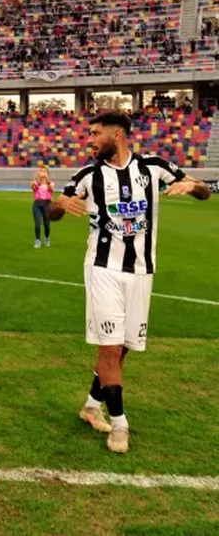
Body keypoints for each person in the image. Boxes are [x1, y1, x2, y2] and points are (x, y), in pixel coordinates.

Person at [49, 111, 210, 454]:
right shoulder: (88, 175)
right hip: (102, 268)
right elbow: (54, 210)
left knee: (122, 348)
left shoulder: (153, 167)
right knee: (109, 348)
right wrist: (60, 205)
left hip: (141, 271)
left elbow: (204, 192)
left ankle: (91, 406)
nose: (89, 141)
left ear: (117, 135)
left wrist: (193, 186)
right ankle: (120, 424)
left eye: (95, 134)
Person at [31, 166, 53, 248]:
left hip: (47, 204)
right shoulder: (36, 183)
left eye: (45, 171)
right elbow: (32, 187)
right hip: (37, 204)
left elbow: (51, 190)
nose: (43, 173)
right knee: (37, 223)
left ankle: (47, 238)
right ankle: (37, 240)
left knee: (47, 224)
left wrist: (47, 179)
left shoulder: (50, 183)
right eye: (41, 171)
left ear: (47, 173)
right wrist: (36, 177)